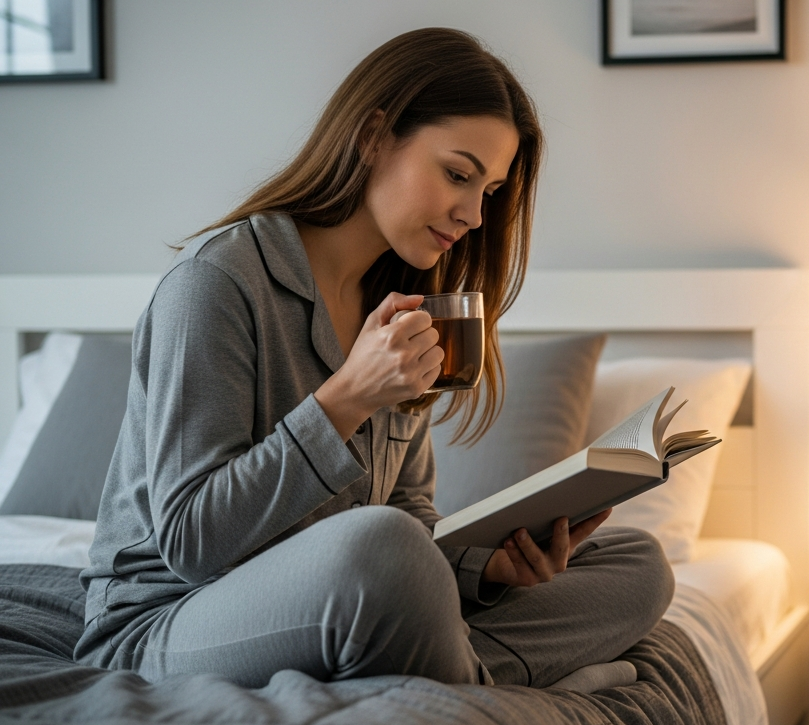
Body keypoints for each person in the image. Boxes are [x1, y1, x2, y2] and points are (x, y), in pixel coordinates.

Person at [75, 28, 673, 689]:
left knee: (634, 563)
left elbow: (408, 509)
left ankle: (449, 669)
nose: (474, 215)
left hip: (345, 596)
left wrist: (487, 567)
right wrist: (346, 399)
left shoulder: (403, 303)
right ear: (372, 136)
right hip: (172, 619)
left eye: (490, 191)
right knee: (383, 548)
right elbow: (193, 542)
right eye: (458, 174)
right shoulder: (215, 284)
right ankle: (488, 690)